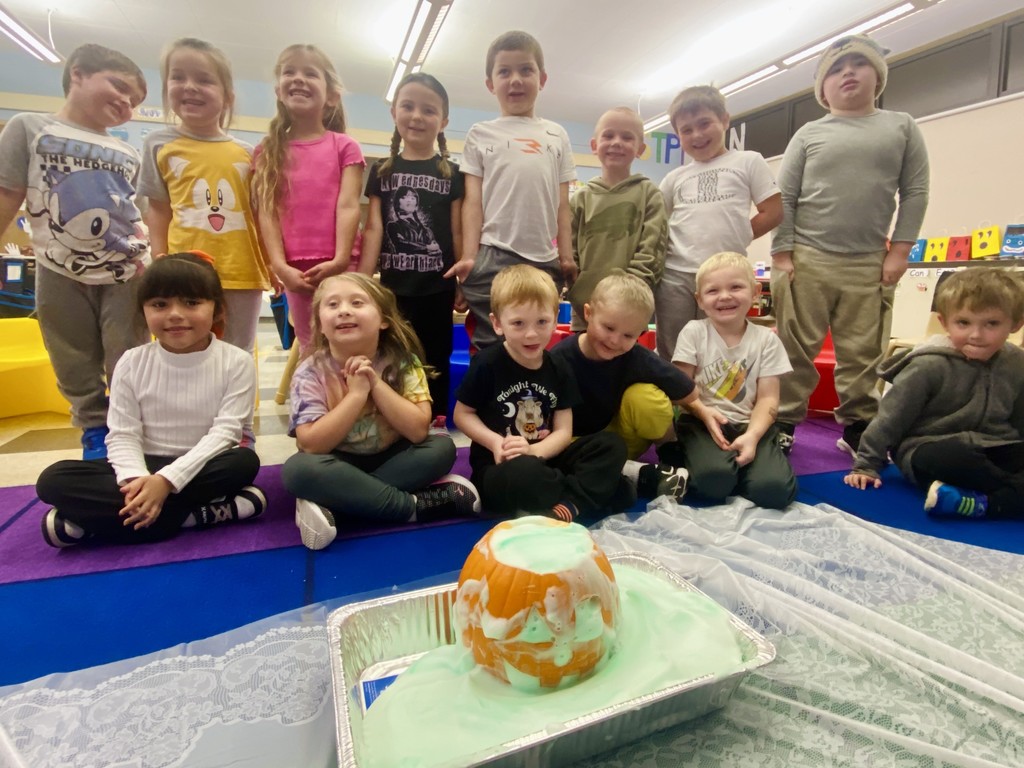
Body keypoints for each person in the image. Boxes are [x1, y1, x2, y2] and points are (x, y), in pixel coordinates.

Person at [35, 253, 265, 547]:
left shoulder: (236, 361)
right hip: (145, 464)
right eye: (160, 305)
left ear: (217, 309)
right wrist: (136, 481)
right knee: (53, 479)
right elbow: (123, 434)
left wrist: (165, 482)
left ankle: (89, 524)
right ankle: (193, 516)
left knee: (243, 462)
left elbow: (226, 433)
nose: (175, 314)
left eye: (191, 303)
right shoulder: (131, 362)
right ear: (143, 311)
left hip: (204, 464)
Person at [771, 35, 930, 456]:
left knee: (863, 351)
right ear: (822, 89)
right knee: (795, 348)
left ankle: (859, 423)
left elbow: (915, 192)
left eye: (859, 64)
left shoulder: (901, 127)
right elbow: (785, 196)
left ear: (878, 76)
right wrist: (782, 252)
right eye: (836, 69)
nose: (848, 73)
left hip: (869, 262)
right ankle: (783, 419)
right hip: (806, 258)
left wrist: (900, 251)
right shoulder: (809, 133)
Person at [0, 44, 151, 460]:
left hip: (126, 268)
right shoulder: (30, 127)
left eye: (135, 101)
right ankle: (95, 428)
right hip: (58, 266)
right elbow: (8, 192)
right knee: (71, 354)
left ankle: (129, 427)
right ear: (78, 73)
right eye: (119, 87)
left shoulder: (128, 152)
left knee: (129, 352)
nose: (126, 103)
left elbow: (136, 210)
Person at [282, 273, 480, 551]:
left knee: (441, 448)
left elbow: (417, 430)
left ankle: (338, 505)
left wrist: (374, 384)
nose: (344, 311)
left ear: (383, 320)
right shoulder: (309, 372)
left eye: (357, 302)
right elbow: (312, 445)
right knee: (298, 470)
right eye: (333, 305)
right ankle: (413, 506)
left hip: (394, 457)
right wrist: (356, 395)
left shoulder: (404, 362)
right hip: (336, 461)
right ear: (320, 325)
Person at [844, 269, 1024, 520]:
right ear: (945, 322)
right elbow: (890, 418)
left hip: (994, 445)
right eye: (963, 323)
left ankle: (980, 503)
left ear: (1015, 324)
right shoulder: (928, 365)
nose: (976, 335)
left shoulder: (1016, 362)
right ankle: (1010, 496)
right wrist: (866, 464)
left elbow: (1019, 418)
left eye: (991, 324)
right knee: (954, 458)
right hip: (930, 447)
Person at [453, 264, 629, 521]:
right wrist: (495, 443)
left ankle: (567, 505)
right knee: (527, 473)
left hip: (545, 458)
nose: (531, 334)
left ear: (555, 319)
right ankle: (588, 493)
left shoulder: (559, 366)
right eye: (518, 323)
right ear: (497, 323)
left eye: (542, 322)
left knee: (611, 445)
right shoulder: (487, 363)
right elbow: (462, 415)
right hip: (503, 466)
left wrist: (535, 452)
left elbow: (564, 432)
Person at [139, 38, 275, 354]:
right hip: (185, 273)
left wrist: (270, 263)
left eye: (204, 80)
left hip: (241, 273)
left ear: (227, 97)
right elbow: (158, 209)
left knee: (237, 354)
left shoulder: (247, 154)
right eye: (178, 77)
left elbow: (257, 215)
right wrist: (160, 259)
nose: (190, 86)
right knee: (184, 352)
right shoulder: (158, 145)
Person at [448, 30, 577, 351]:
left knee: (533, 344)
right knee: (491, 345)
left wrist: (566, 255)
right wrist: (469, 256)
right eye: (504, 72)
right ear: (490, 83)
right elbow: (473, 201)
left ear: (542, 79)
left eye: (526, 70)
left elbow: (562, 204)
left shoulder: (556, 134)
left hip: (544, 258)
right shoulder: (480, 133)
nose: (515, 79)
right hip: (493, 252)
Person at [360, 73, 464, 428]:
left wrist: (462, 281)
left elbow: (457, 230)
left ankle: (433, 423)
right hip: (393, 289)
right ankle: (393, 420)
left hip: (438, 286)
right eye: (408, 106)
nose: (417, 116)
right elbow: (374, 228)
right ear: (394, 112)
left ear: (443, 121)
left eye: (428, 110)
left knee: (435, 355)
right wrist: (363, 281)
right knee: (393, 354)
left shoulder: (452, 174)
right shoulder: (382, 171)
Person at [655, 85, 781, 361]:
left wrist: (740, 235)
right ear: (677, 135)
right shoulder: (674, 177)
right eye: (686, 130)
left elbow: (773, 211)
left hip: (724, 275)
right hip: (675, 274)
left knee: (719, 345)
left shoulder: (748, 161)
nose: (697, 135)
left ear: (724, 120)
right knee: (672, 347)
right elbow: (655, 223)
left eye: (704, 124)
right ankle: (672, 390)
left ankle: (713, 390)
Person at [252, 44, 364, 353]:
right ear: (279, 90)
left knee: (349, 342)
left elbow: (348, 205)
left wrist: (340, 259)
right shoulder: (266, 151)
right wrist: (279, 266)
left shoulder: (344, 146)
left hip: (341, 262)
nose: (298, 78)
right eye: (289, 72)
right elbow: (267, 213)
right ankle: (314, 388)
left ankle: (354, 387)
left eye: (310, 73)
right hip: (296, 269)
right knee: (310, 345)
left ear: (332, 96)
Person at [663, 252, 797, 510]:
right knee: (713, 483)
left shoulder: (766, 340)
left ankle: (757, 460)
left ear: (755, 292)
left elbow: (768, 398)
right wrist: (703, 413)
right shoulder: (694, 332)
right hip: (702, 424)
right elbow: (680, 390)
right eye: (713, 291)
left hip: (750, 424)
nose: (724, 296)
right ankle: (715, 464)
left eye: (736, 287)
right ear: (699, 300)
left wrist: (753, 436)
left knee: (775, 491)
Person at [549, 274, 692, 500]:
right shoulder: (559, 359)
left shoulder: (636, 356)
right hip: (579, 444)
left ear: (640, 335)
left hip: (621, 438)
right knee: (557, 453)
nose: (615, 341)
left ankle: (670, 454)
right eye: (608, 328)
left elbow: (688, 391)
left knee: (644, 395)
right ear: (588, 313)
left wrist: (704, 412)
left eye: (627, 335)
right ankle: (635, 475)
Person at [568, 107, 667, 331]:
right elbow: (569, 254)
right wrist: (579, 293)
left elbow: (652, 250)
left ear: (640, 149)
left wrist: (629, 297)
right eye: (608, 135)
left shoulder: (649, 194)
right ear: (594, 145)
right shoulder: (581, 198)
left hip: (630, 310)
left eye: (627, 137)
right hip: (585, 308)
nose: (616, 142)